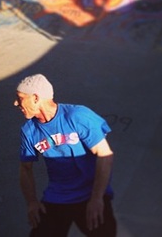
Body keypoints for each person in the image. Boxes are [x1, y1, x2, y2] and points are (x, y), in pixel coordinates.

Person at [15, 74, 117, 237]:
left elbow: (105, 155)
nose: (15, 103)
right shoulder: (29, 131)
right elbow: (25, 168)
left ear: (35, 98)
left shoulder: (78, 116)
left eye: (20, 98)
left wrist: (97, 198)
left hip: (90, 194)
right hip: (57, 197)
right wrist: (32, 202)